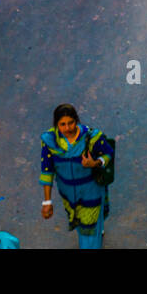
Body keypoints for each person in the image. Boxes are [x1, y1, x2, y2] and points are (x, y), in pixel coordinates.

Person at [40, 104, 113, 249]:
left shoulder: (91, 137)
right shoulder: (50, 141)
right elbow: (47, 170)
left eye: (71, 123)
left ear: (77, 121)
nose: (67, 128)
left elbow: (108, 153)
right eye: (62, 124)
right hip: (68, 196)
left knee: (88, 232)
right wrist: (47, 202)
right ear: (56, 125)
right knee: (81, 224)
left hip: (90, 193)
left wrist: (95, 163)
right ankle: (97, 231)